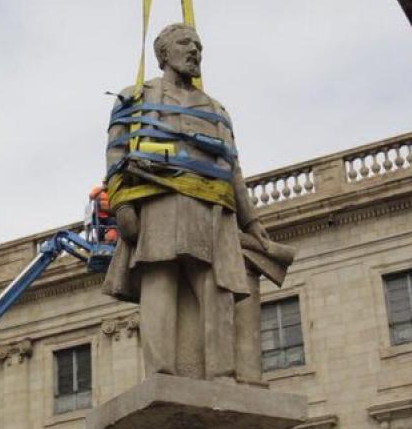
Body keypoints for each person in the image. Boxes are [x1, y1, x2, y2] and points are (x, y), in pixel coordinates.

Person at [102, 23, 288, 381]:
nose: (194, 51)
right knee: (160, 280)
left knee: (218, 286)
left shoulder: (215, 109)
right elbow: (116, 154)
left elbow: (233, 168)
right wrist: (122, 205)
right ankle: (162, 371)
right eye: (185, 43)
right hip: (159, 202)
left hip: (212, 209)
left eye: (199, 46)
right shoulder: (134, 98)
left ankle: (223, 372)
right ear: (163, 54)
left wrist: (251, 221)